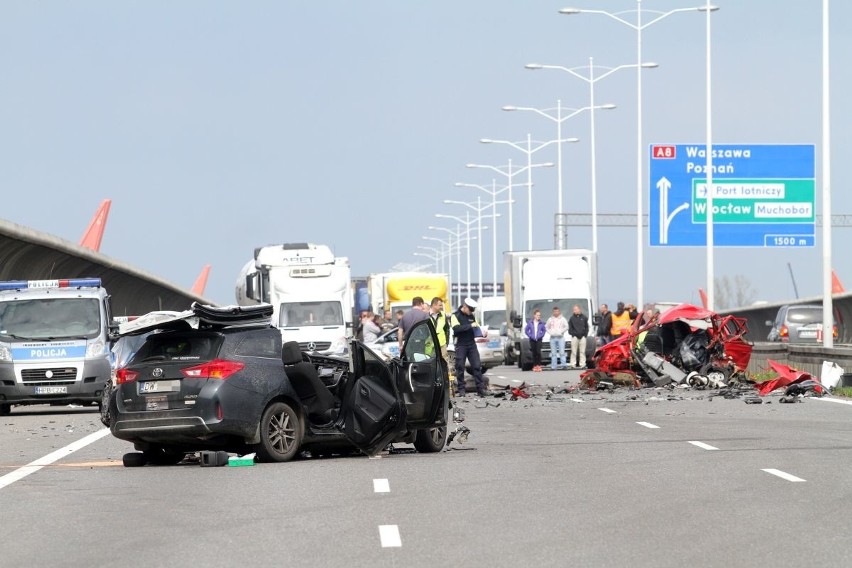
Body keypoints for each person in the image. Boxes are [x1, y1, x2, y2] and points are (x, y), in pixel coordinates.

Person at [450, 297, 487, 397]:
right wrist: (470, 326)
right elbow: (456, 329)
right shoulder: (455, 316)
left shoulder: (471, 316)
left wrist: (482, 333)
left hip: (471, 344)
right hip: (461, 345)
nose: (471, 312)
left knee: (477, 366)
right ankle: (461, 390)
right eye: (470, 310)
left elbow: (476, 329)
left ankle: (481, 390)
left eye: (472, 310)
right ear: (464, 307)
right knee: (460, 367)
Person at [428, 296, 451, 379]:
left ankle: (445, 379)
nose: (442, 307)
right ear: (434, 305)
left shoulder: (443, 315)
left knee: (444, 363)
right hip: (430, 344)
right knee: (430, 363)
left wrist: (446, 342)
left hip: (442, 344)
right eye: (440, 305)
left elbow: (447, 329)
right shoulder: (426, 315)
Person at [545, 305, 569, 370]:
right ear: (553, 312)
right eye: (554, 311)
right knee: (553, 353)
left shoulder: (562, 319)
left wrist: (561, 331)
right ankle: (554, 366)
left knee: (562, 352)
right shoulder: (550, 319)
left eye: (557, 311)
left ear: (559, 312)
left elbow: (566, 326)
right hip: (552, 337)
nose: (556, 313)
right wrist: (550, 332)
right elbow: (546, 327)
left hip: (560, 337)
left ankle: (564, 365)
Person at [568, 304, 589, 369]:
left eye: (576, 309)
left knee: (582, 351)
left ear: (579, 309)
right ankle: (572, 364)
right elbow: (570, 328)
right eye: (574, 310)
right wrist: (573, 334)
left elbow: (586, 327)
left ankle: (582, 364)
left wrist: (585, 335)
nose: (575, 311)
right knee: (573, 351)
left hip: (582, 337)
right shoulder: (571, 318)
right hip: (575, 337)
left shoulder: (584, 317)